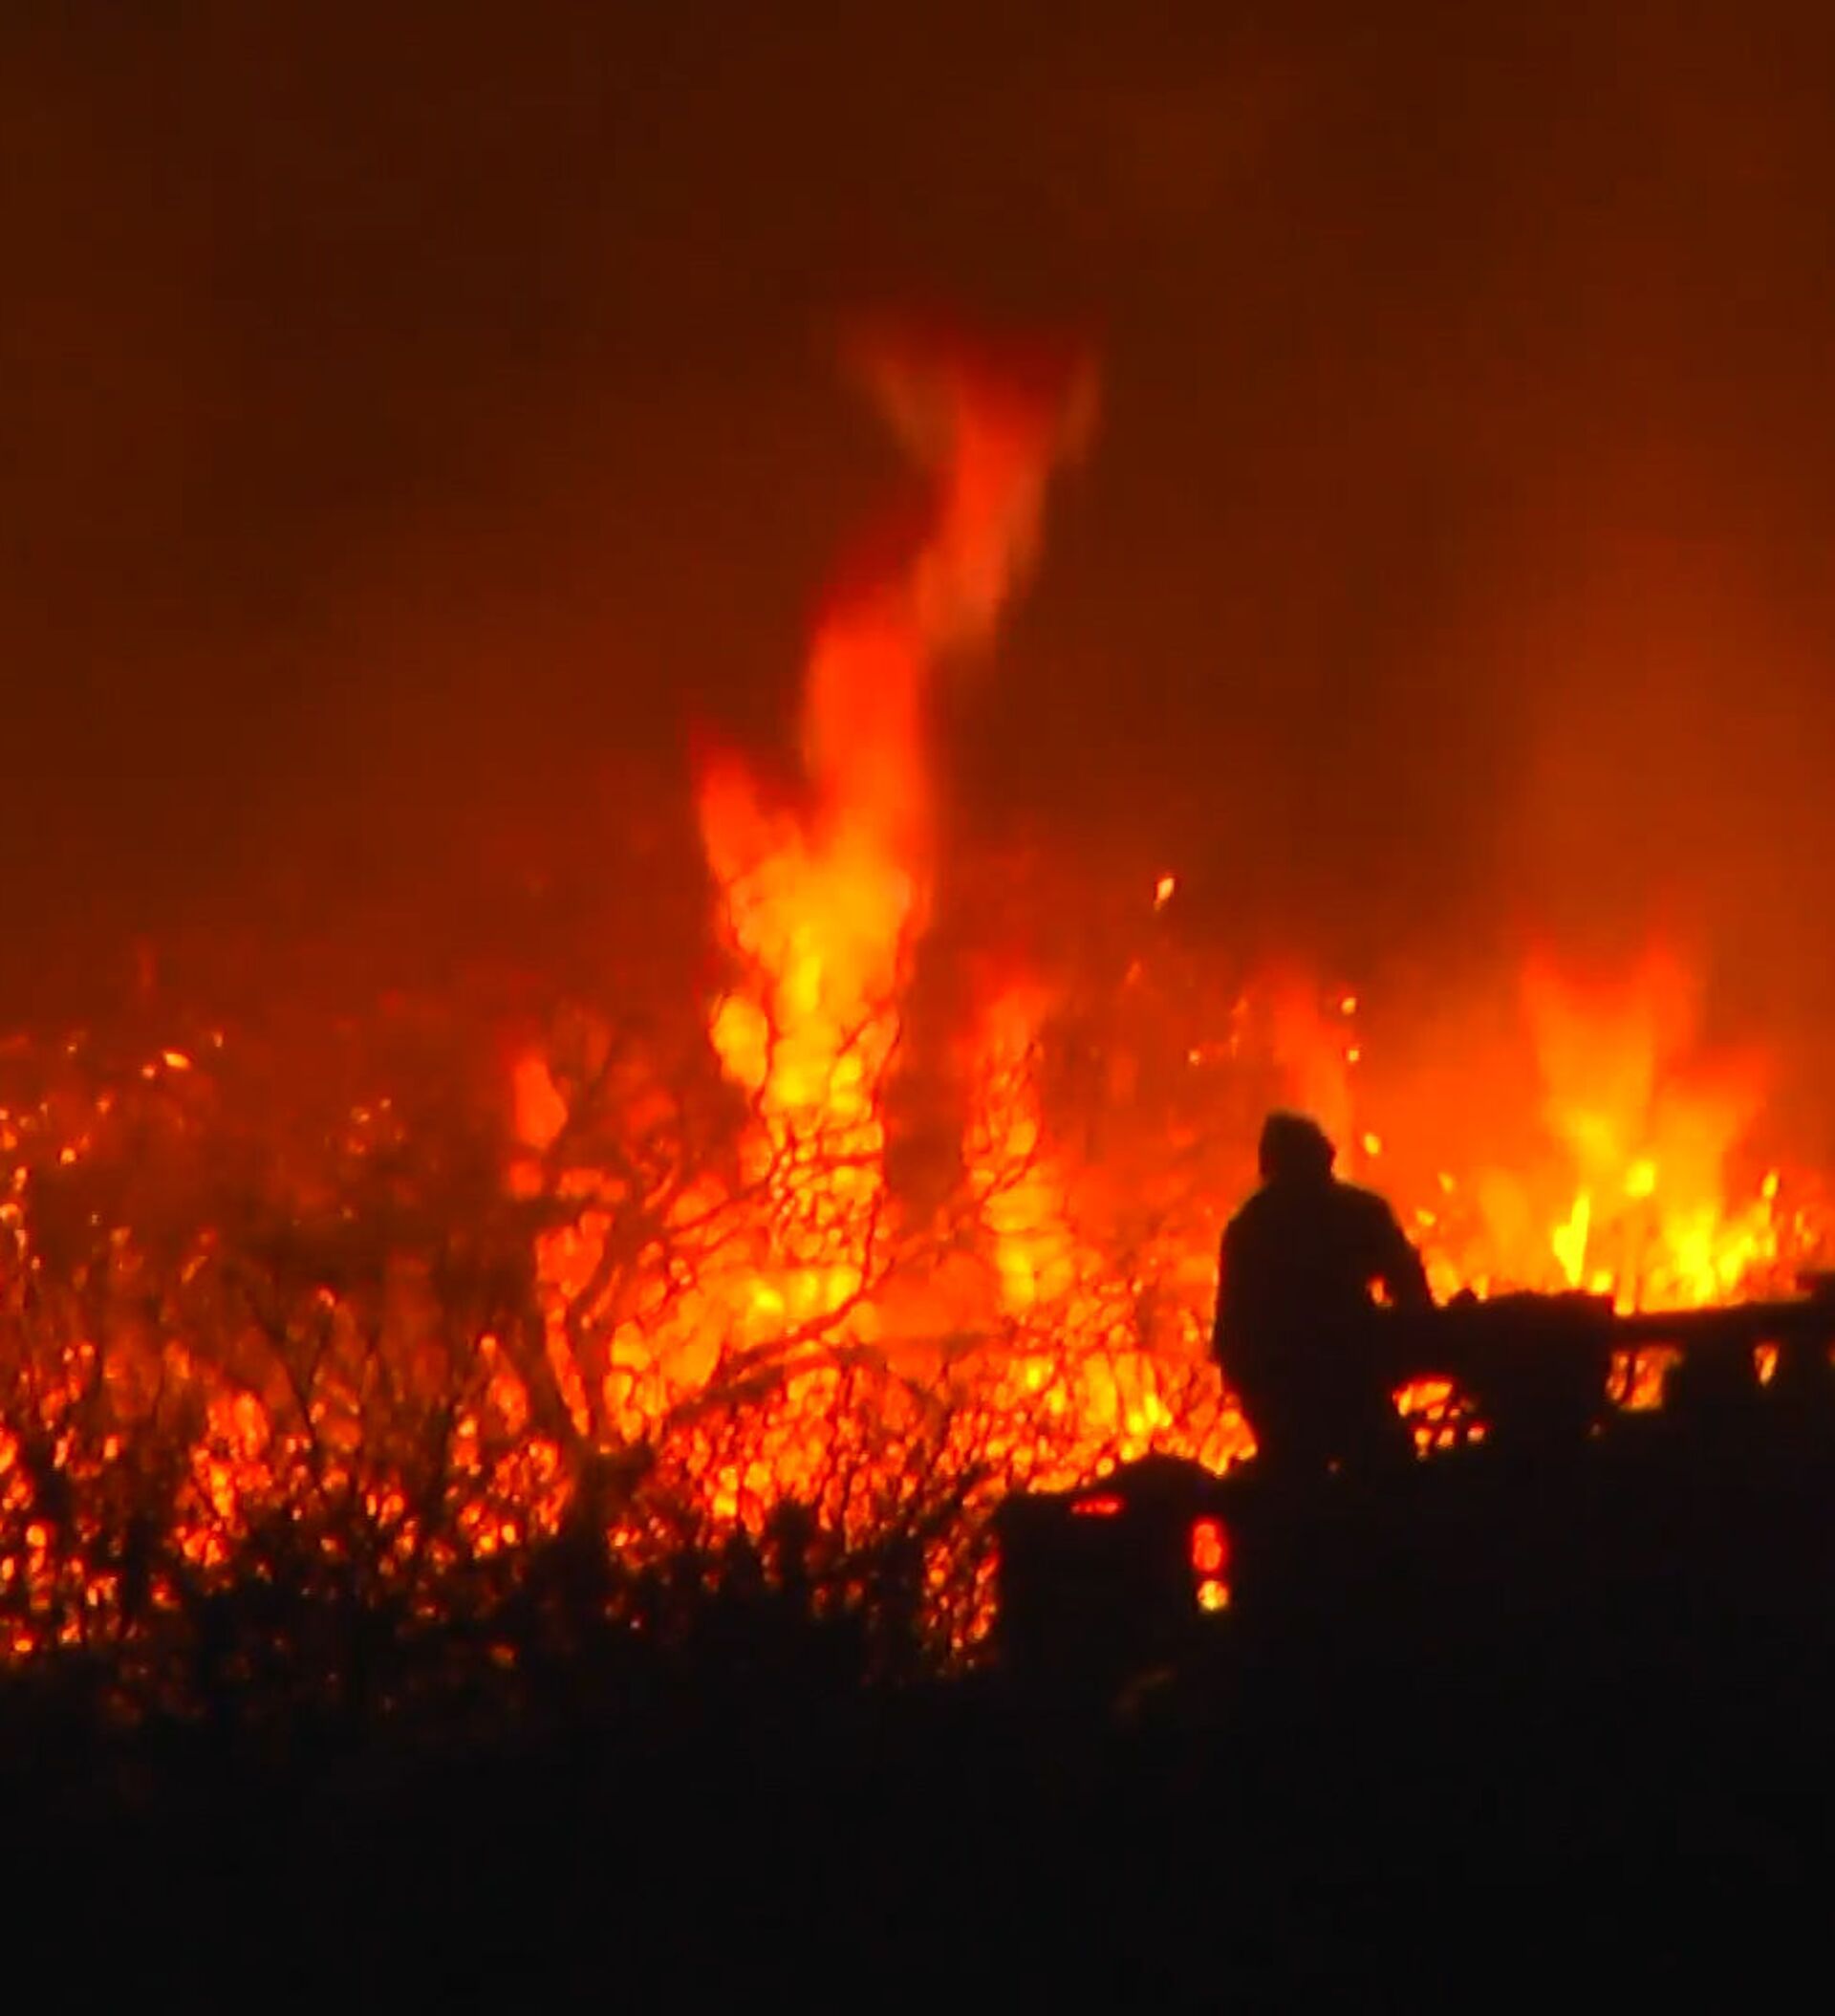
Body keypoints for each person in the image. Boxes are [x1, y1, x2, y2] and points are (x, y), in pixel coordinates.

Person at [1212, 1112, 1434, 1477]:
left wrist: (1248, 1383)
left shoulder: (1248, 1228)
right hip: (1347, 1378)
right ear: (1324, 1156)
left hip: (1280, 1389)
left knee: (1297, 1482)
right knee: (1390, 1471)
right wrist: (1414, 1339)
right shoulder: (1358, 1212)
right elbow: (1410, 1288)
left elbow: (1230, 1329)